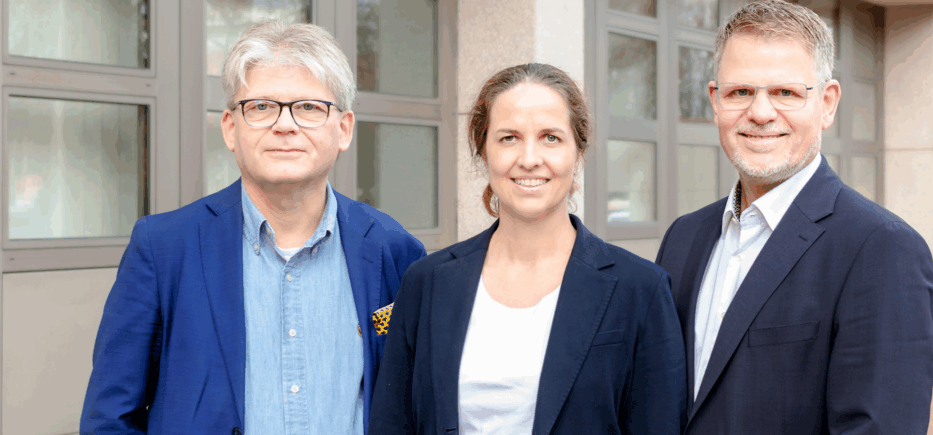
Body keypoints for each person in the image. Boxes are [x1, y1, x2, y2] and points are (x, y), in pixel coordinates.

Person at [80, 21, 425, 435]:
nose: (285, 125)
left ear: (344, 129)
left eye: (309, 107)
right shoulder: (163, 248)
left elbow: (417, 405)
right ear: (230, 127)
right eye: (261, 106)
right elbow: (111, 418)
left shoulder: (394, 250)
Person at [655, 0, 933, 434]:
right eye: (740, 92)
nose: (760, 113)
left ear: (827, 103)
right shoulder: (684, 237)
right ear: (715, 101)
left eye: (785, 92)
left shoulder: (882, 249)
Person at [369, 63, 685, 434]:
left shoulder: (641, 290)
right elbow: (392, 423)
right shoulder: (427, 282)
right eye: (509, 138)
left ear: (578, 154)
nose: (530, 158)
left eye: (551, 137)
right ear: (483, 152)